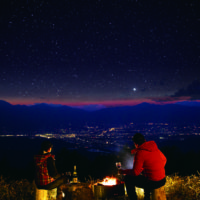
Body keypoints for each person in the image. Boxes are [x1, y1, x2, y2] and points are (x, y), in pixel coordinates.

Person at [119, 133, 167, 200]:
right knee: (145, 176)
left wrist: (123, 171)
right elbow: (164, 159)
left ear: (135, 143)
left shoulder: (140, 153)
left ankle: (133, 198)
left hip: (153, 183)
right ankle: (146, 198)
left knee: (128, 178)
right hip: (162, 180)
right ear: (144, 140)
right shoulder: (154, 148)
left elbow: (135, 172)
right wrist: (154, 169)